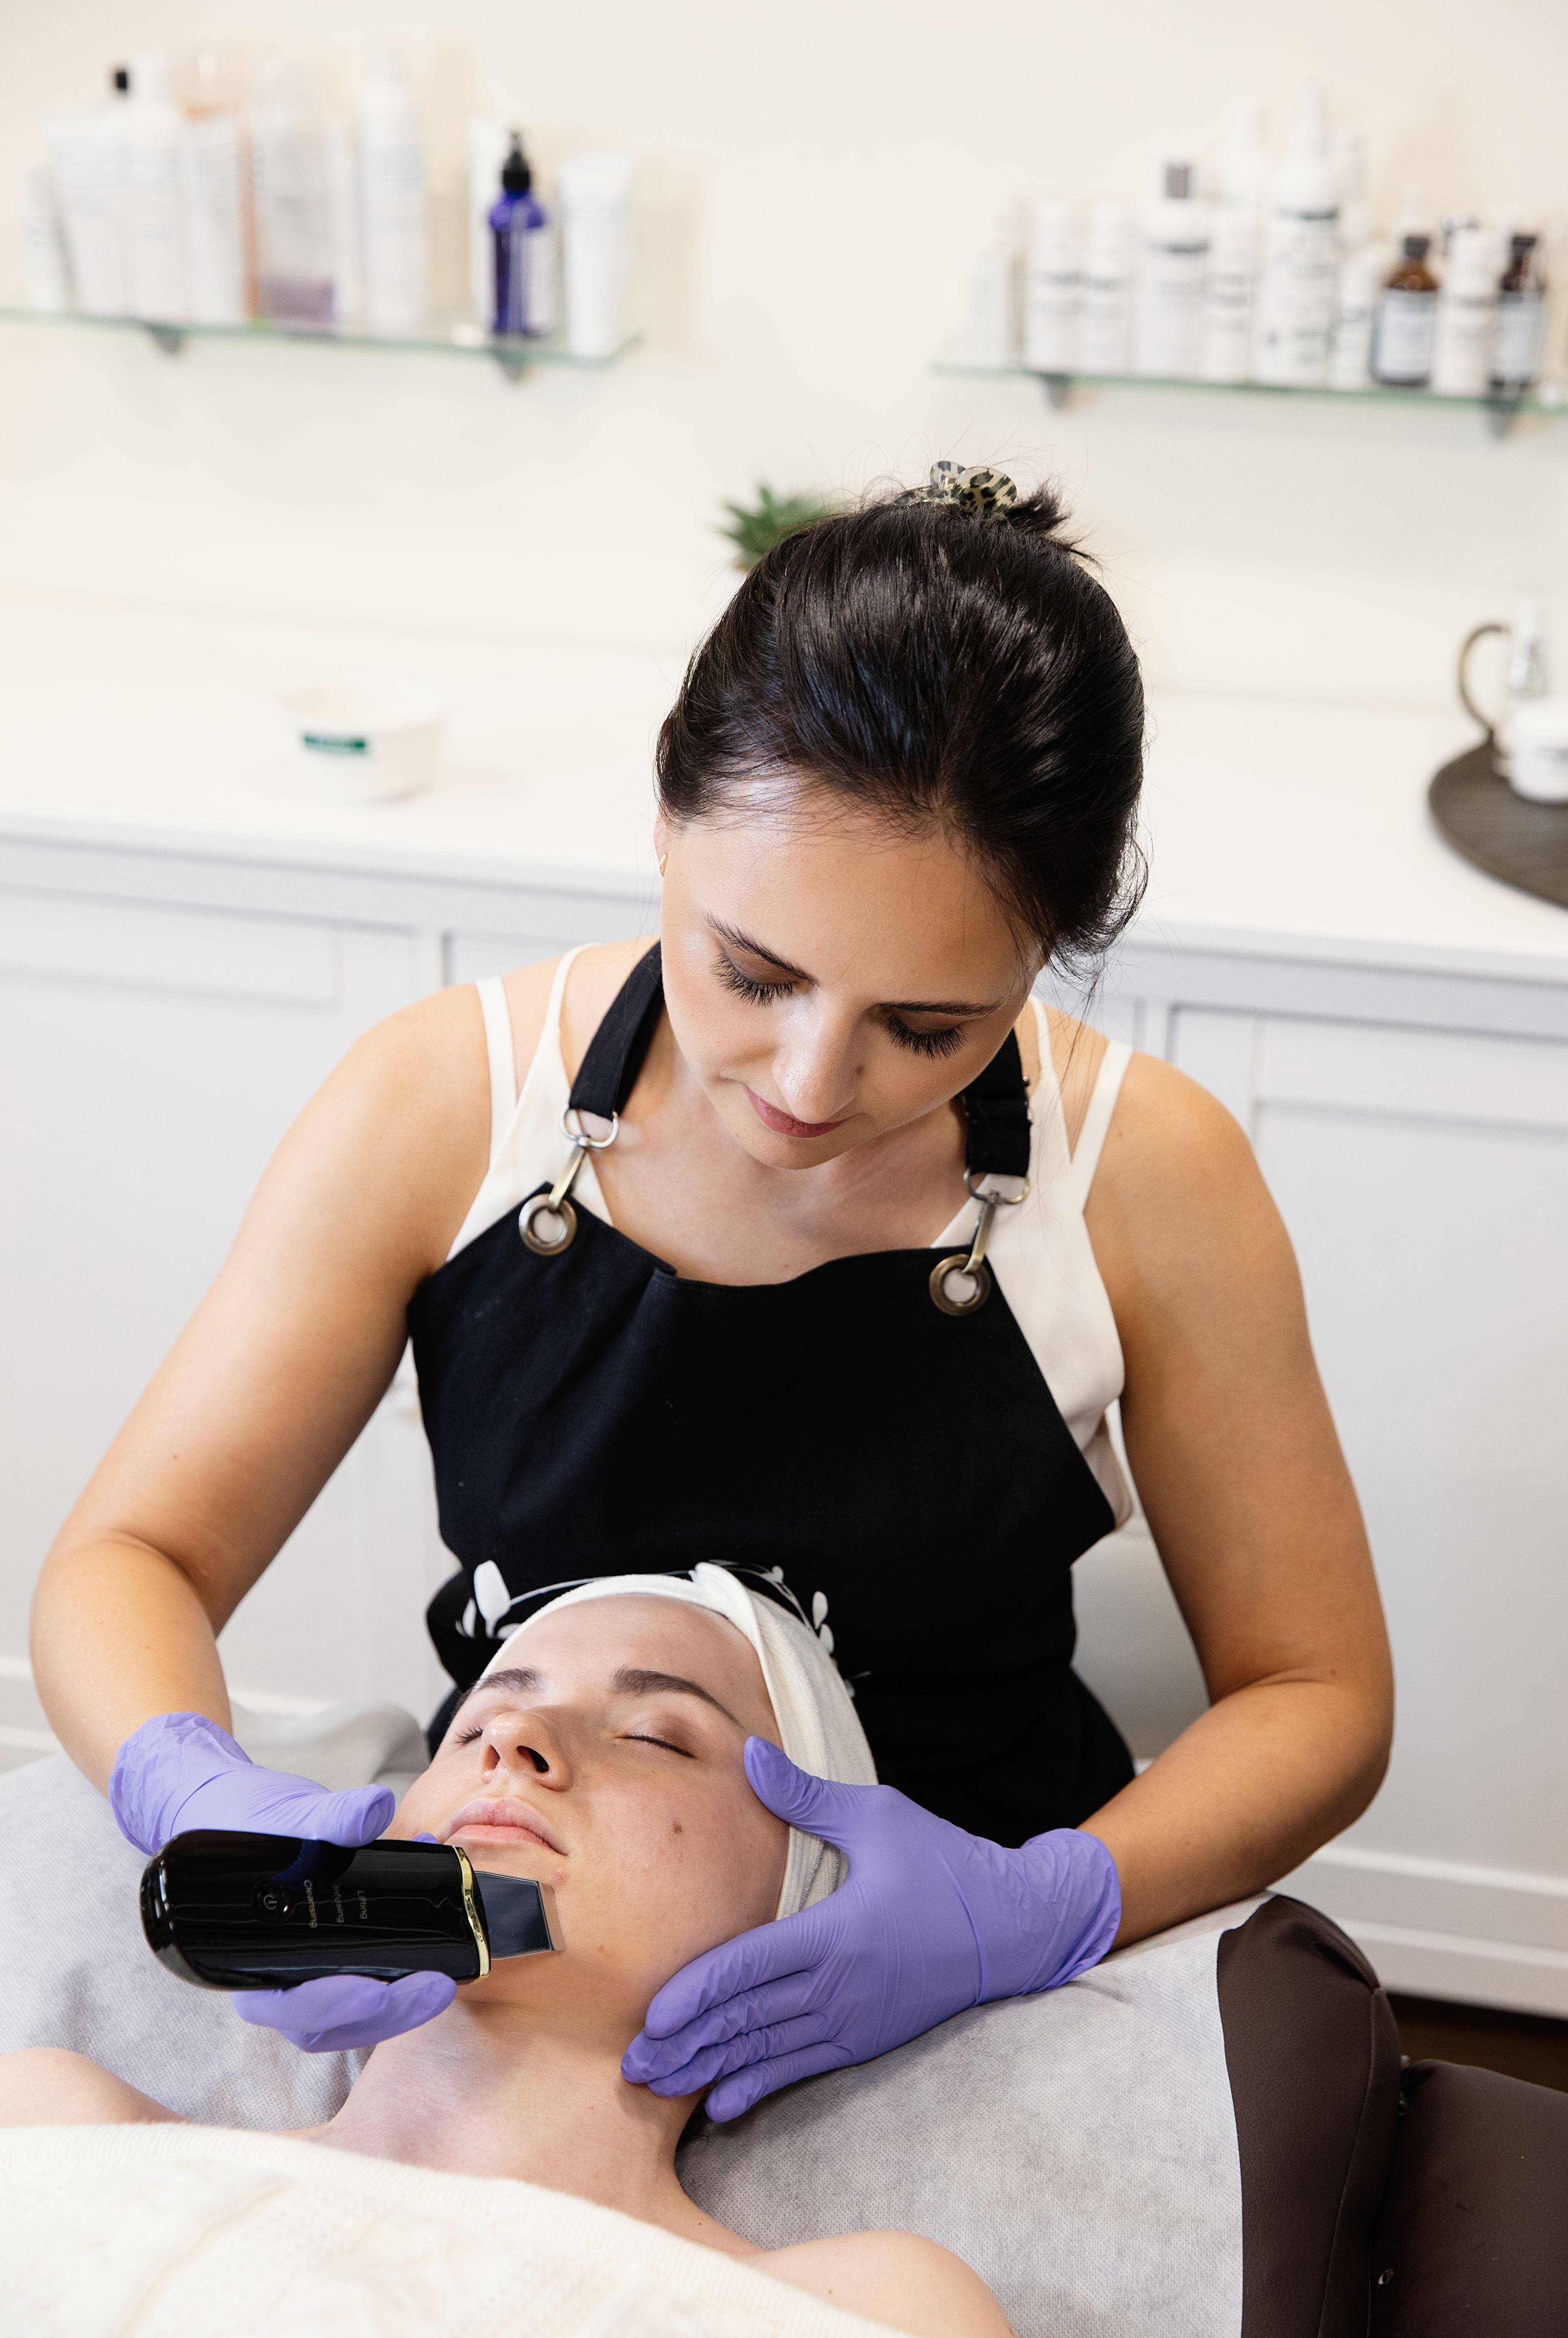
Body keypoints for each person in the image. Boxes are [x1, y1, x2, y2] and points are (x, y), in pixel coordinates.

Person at [32, 461, 1392, 2117]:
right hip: (535, 1900)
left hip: (960, 1925)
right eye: (753, 972)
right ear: (666, 824)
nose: (812, 1085)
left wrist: (1043, 1909)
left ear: (1044, 958)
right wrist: (196, 1795)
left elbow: (1319, 1694)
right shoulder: (445, 1107)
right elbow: (132, 1557)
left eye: (930, 1027)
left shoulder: (1151, 1179)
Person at [3, 1577, 1012, 2338]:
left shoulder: (873, 2303)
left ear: (803, 1912)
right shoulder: (54, 2122)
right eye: (474, 1724)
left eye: (658, 1736)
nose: (514, 1738)